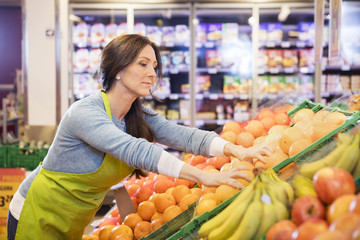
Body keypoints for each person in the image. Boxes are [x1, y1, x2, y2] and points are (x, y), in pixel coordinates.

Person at [7, 34, 272, 240]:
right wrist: (204, 176)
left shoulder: (135, 115)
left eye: (154, 66)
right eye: (142, 64)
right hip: (38, 211)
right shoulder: (84, 113)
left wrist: (237, 150)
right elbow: (136, 150)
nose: (152, 73)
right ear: (118, 70)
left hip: (74, 218)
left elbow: (181, 135)